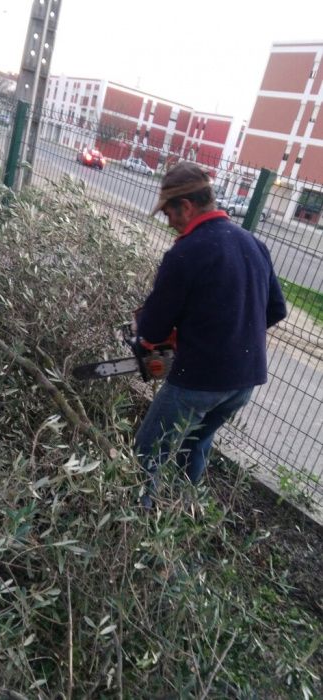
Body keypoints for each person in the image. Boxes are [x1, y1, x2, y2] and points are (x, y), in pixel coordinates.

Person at [134, 162, 287, 508]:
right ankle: (186, 510)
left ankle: (137, 521)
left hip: (197, 381)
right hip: (243, 383)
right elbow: (276, 308)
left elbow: (153, 329)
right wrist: (228, 333)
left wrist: (153, 335)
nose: (169, 221)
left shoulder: (186, 252)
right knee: (195, 443)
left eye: (169, 213)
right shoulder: (253, 244)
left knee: (148, 450)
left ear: (186, 207)